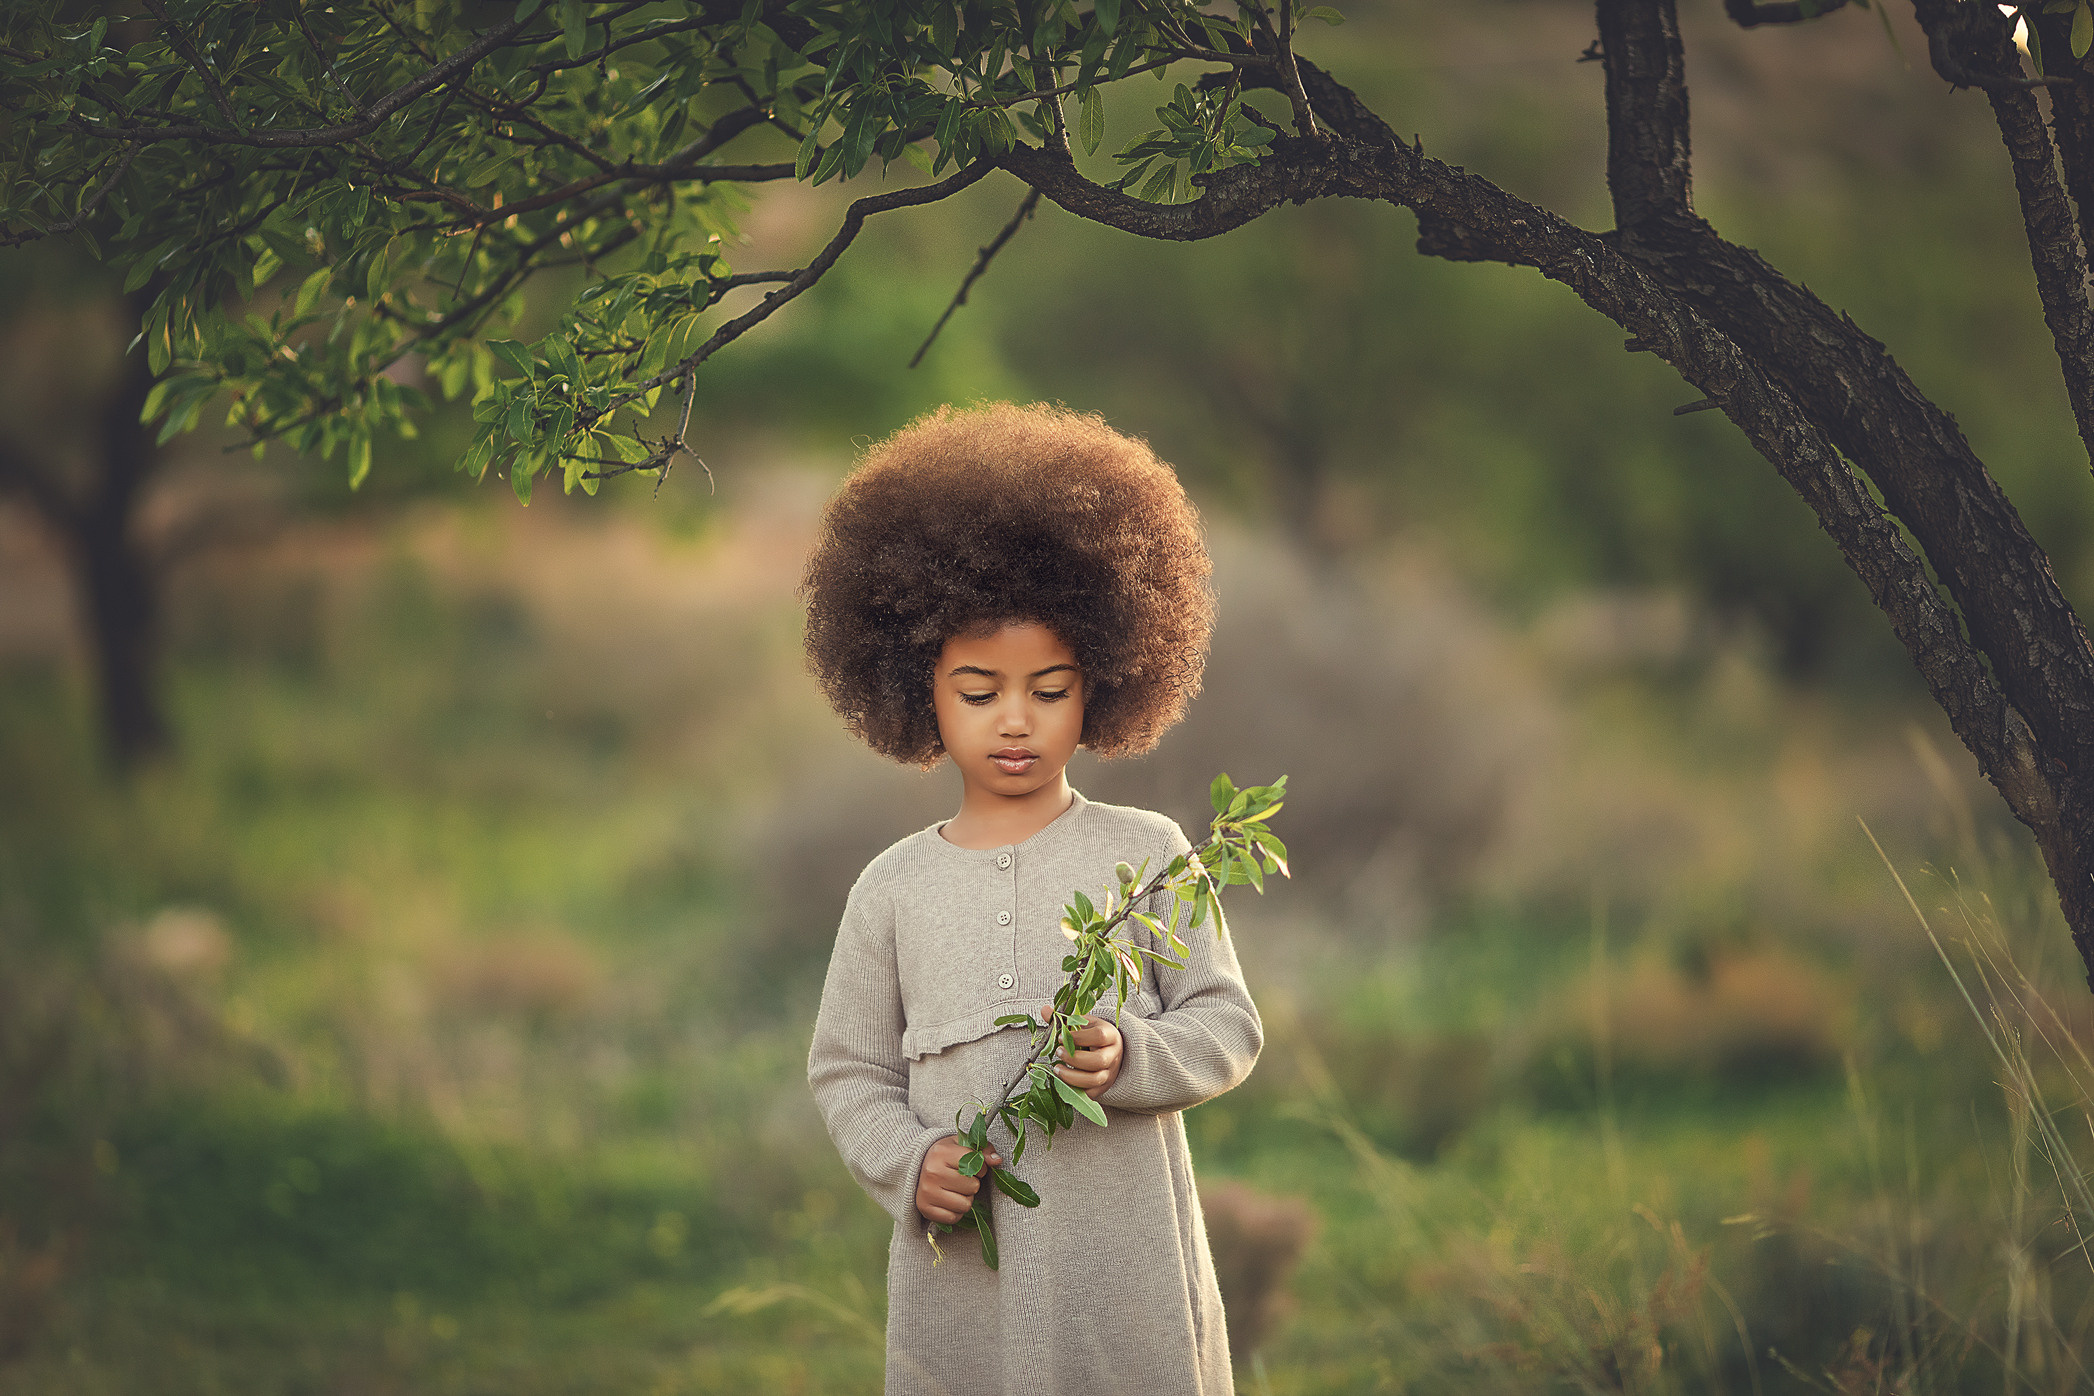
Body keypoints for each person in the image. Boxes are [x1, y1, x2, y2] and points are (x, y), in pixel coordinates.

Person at [801, 403, 1264, 1396]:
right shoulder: (892, 887)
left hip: (1124, 1278)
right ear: (913, 684)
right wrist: (909, 1160)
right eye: (979, 691)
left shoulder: (1150, 854)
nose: (1015, 720)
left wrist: (1134, 1052)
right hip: (964, 1290)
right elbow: (847, 1069)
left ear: (1104, 680)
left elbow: (1228, 1022)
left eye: (1048, 689)